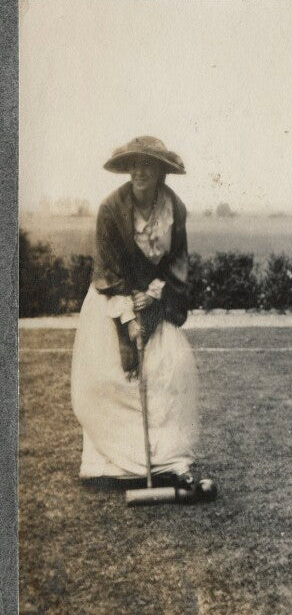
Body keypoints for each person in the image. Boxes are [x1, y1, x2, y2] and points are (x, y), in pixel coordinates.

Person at [71, 136, 202, 489]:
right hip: (111, 298)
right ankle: (110, 464)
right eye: (133, 164)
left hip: (156, 300)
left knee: (167, 372)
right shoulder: (111, 208)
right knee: (112, 375)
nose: (139, 171)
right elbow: (108, 271)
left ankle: (164, 461)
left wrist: (155, 298)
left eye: (147, 164)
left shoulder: (175, 208)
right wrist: (129, 326)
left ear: (161, 171)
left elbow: (176, 264)